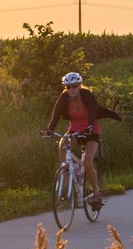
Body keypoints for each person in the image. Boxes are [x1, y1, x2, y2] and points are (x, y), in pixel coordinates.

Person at [41, 71, 121, 205]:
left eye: (74, 86)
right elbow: (55, 116)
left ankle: (96, 194)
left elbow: (92, 111)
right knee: (62, 145)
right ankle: (67, 183)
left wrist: (89, 127)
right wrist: (49, 130)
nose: (71, 89)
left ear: (79, 86)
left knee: (88, 162)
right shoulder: (64, 98)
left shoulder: (87, 95)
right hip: (74, 130)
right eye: (68, 87)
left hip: (91, 131)